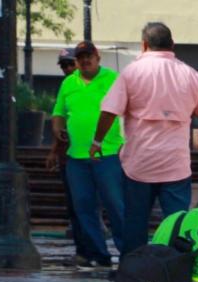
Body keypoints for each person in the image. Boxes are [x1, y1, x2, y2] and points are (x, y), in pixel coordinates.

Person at [92, 21, 198, 253]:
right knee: (178, 223)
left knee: (135, 223)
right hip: (175, 164)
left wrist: (97, 141)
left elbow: (109, 110)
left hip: (140, 163)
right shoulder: (189, 74)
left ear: (144, 45)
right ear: (172, 44)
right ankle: (176, 269)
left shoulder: (132, 72)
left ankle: (133, 270)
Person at [47, 41, 127, 267]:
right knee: (83, 207)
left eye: (88, 56)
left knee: (115, 206)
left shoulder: (112, 79)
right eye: (80, 57)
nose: (85, 60)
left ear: (97, 56)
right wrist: (56, 128)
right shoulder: (68, 83)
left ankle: (127, 253)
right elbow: (58, 112)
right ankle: (98, 255)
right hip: (76, 158)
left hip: (107, 154)